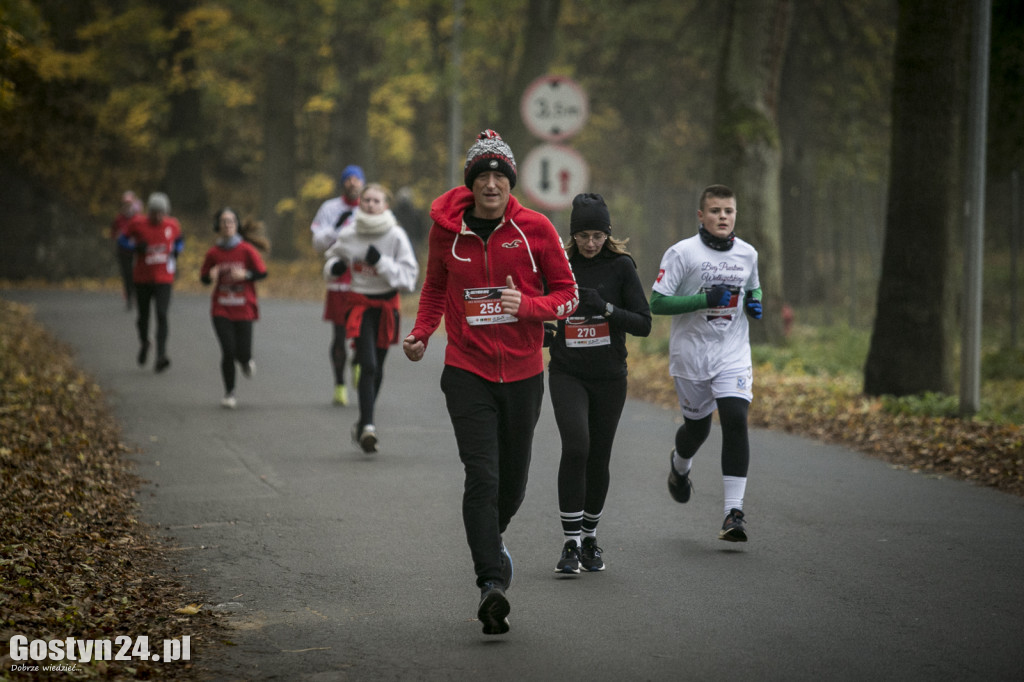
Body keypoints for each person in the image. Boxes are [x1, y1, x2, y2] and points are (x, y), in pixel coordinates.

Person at [402, 130, 578, 635]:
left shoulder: (535, 229)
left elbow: (568, 297)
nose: (492, 183)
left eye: (501, 175)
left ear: (511, 182)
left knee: (513, 484)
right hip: (467, 370)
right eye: (484, 175)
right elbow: (436, 286)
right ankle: (490, 585)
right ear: (472, 182)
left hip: (523, 373)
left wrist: (525, 307)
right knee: (482, 475)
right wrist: (420, 334)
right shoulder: (447, 231)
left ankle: (491, 539)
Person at [649, 184, 763, 542]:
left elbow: (753, 286)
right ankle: (679, 466)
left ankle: (734, 513)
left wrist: (755, 301)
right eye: (715, 211)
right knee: (697, 430)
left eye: (728, 211)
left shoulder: (748, 254)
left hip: (732, 353)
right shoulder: (682, 253)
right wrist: (702, 299)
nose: (722, 217)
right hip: (691, 355)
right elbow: (657, 303)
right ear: (701, 215)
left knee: (734, 419)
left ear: (735, 215)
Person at [547, 193, 651, 575]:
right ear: (572, 236)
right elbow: (543, 312)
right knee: (576, 446)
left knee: (599, 455)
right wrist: (546, 329)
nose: (590, 244)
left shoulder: (621, 267)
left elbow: (643, 323)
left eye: (597, 236)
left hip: (609, 376)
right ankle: (570, 543)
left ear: (607, 235)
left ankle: (590, 538)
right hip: (567, 372)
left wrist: (604, 307)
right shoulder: (560, 263)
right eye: (583, 236)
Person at [323, 183, 418, 452]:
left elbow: (409, 278)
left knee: (378, 367)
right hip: (360, 305)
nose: (370, 205)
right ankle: (368, 427)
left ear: (385, 206)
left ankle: (363, 421)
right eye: (366, 200)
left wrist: (381, 262)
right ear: (360, 203)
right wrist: (335, 267)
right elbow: (330, 262)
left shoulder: (396, 236)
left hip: (387, 308)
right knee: (369, 365)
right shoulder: (350, 234)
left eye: (377, 201)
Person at [200, 208, 270, 409]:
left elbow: (262, 273)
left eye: (231, 221)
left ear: (236, 225)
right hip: (221, 308)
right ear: (218, 226)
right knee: (228, 350)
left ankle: (246, 361)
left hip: (244, 307)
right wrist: (210, 276)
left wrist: (246, 275)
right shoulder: (213, 253)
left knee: (243, 353)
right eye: (223, 221)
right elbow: (203, 277)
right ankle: (229, 393)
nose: (227, 224)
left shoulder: (246, 250)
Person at [311, 165, 365, 406]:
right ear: (343, 183)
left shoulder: (371, 205)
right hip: (338, 282)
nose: (353, 183)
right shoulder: (330, 208)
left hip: (364, 280)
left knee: (364, 333)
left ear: (362, 183)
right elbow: (317, 244)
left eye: (357, 179)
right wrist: (336, 227)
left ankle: (358, 363)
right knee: (340, 334)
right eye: (348, 179)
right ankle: (340, 385)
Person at [120, 192, 183, 373]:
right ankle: (145, 342)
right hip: (142, 278)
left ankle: (161, 356)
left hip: (164, 279)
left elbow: (180, 241)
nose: (157, 216)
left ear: (166, 212)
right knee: (143, 317)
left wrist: (177, 250)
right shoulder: (138, 223)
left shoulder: (172, 225)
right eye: (154, 212)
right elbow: (122, 239)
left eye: (161, 212)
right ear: (149, 211)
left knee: (162, 315)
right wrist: (134, 247)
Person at [111, 190, 142, 310]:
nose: (127, 207)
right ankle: (129, 297)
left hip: (136, 251)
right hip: (123, 251)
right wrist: (118, 236)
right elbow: (113, 233)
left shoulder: (138, 218)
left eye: (129, 204)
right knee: (127, 275)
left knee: (136, 275)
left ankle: (137, 296)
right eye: (125, 204)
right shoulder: (119, 219)